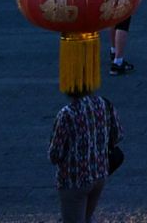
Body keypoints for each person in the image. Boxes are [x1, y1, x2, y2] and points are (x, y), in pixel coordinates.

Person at [47, 82, 122, 223]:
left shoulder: (67, 114)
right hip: (99, 173)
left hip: (74, 179)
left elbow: (54, 154)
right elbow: (117, 135)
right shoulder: (104, 104)